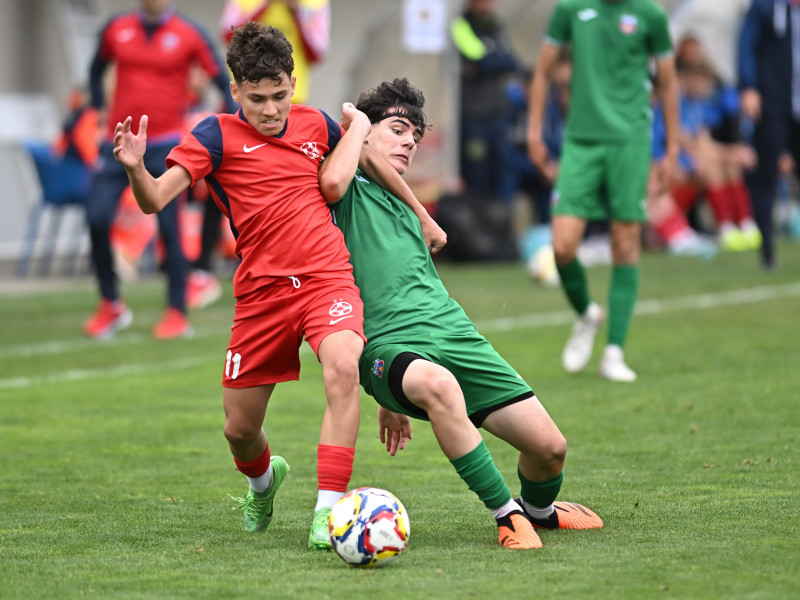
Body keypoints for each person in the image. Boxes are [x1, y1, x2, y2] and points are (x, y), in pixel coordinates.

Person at [110, 22, 445, 547]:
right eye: (258, 98)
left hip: (325, 280)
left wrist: (421, 215)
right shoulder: (213, 136)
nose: (271, 110)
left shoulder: (315, 124)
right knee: (239, 430)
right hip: (262, 296)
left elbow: (373, 162)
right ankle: (263, 484)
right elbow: (154, 200)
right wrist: (135, 168)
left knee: (340, 369)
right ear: (236, 90)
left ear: (293, 83)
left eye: (280, 95)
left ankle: (327, 513)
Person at [320, 78, 603, 551]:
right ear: (364, 132)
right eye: (397, 129)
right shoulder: (344, 184)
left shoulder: (407, 202)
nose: (409, 141)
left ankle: (541, 512)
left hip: (454, 334)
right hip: (389, 348)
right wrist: (359, 128)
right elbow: (348, 168)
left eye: (415, 135)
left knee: (550, 449)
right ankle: (507, 516)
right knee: (438, 385)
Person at [527, 0, 679, 382]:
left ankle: (614, 353)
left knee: (625, 244)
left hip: (630, 141)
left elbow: (668, 80)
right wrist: (533, 131)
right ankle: (587, 314)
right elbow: (544, 71)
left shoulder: (651, 14)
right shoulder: (570, 9)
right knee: (562, 246)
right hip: (580, 142)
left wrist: (673, 147)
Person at [84, 0, 237, 340]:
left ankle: (176, 312)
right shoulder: (116, 29)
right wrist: (96, 113)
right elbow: (95, 71)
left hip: (165, 143)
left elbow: (221, 82)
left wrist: (231, 129)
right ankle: (111, 303)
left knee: (170, 228)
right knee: (95, 216)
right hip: (119, 143)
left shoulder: (189, 34)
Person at [186, 0, 332, 309]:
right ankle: (203, 269)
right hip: (248, 110)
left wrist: (295, 12)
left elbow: (317, 51)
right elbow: (229, 37)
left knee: (303, 190)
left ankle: (307, 268)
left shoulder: (315, 3)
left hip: (293, 109)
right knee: (222, 179)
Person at [738, 0, 800, 270]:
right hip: (774, 103)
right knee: (766, 175)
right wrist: (749, 85)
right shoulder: (765, 7)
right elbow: (746, 44)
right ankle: (767, 248)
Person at [451, 0, 521, 204]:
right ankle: (476, 231)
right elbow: (480, 59)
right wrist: (492, 62)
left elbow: (511, 61)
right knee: (476, 178)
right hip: (474, 117)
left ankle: (497, 228)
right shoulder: (461, 25)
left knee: (500, 177)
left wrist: (490, 64)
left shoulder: (496, 27)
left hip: (498, 116)